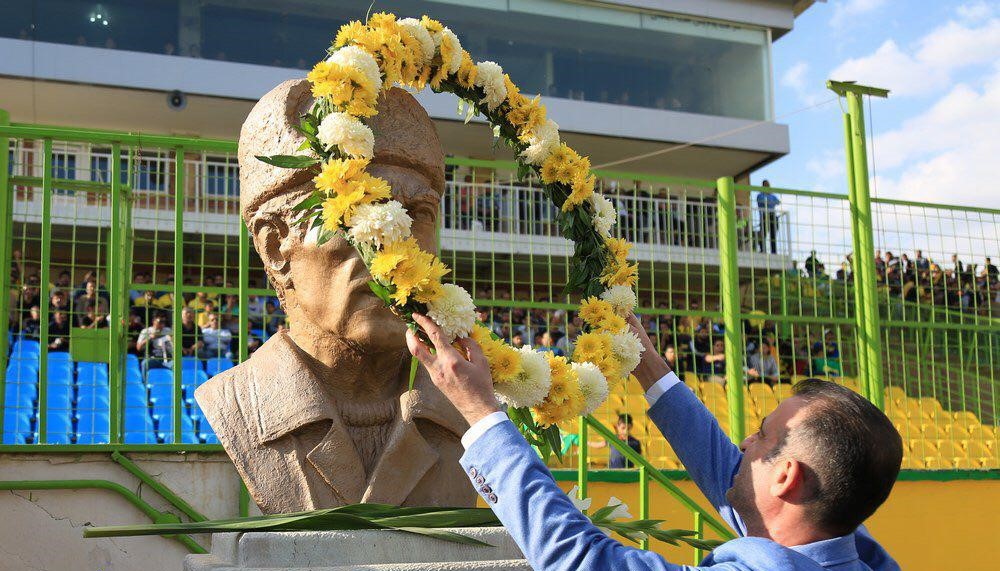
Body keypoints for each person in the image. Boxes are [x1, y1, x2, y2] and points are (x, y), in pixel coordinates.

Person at [405, 312, 901, 571]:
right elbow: (733, 476)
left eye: (763, 434)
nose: (745, 443)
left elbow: (583, 562)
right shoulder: (840, 549)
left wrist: (481, 413)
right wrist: (647, 364)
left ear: (788, 477)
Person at [756, 181, 780, 254]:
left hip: (772, 215)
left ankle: (774, 251)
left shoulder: (772, 195)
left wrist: (769, 201)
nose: (767, 187)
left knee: (773, 234)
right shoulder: (760, 195)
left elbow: (778, 202)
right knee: (763, 233)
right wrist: (770, 201)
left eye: (768, 185)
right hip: (764, 215)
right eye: (766, 185)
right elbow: (762, 202)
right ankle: (762, 249)